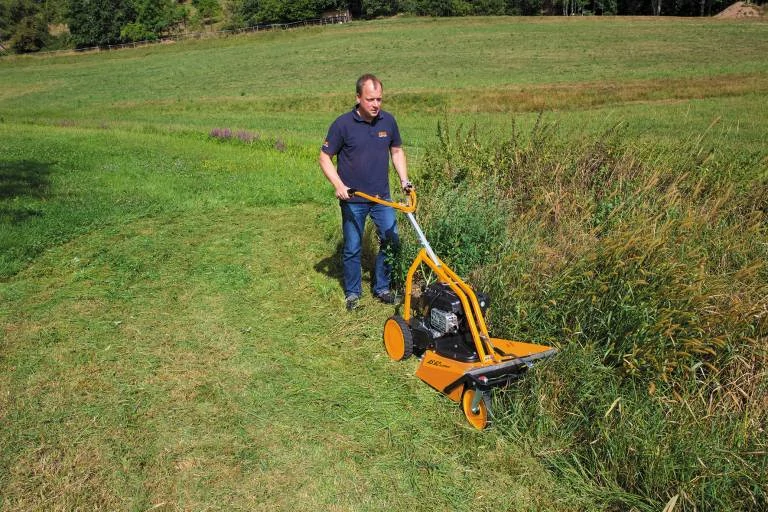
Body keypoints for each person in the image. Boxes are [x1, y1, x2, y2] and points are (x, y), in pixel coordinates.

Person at [319, 74, 412, 311]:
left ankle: (381, 287)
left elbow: (397, 152)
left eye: (379, 99)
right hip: (353, 200)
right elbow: (324, 157)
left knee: (391, 241)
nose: (376, 104)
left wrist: (404, 180)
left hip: (381, 198)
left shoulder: (388, 122)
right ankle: (352, 293)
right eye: (370, 99)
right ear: (358, 97)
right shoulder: (342, 124)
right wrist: (339, 186)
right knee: (352, 247)